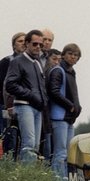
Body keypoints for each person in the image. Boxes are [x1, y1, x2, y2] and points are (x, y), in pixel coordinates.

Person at [5, 29, 47, 163]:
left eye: (40, 44)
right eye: (35, 44)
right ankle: (26, 179)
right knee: (28, 144)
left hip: (37, 108)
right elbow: (10, 84)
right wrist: (30, 95)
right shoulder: (17, 61)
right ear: (27, 44)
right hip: (24, 106)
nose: (38, 47)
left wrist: (43, 101)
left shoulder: (38, 63)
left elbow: (41, 86)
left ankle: (30, 178)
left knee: (35, 146)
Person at [48, 43, 82, 181]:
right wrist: (70, 106)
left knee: (68, 154)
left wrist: (77, 108)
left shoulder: (71, 71)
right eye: (70, 54)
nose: (73, 57)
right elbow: (54, 91)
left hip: (69, 119)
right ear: (64, 54)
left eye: (76, 55)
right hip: (59, 117)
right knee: (60, 153)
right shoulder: (58, 70)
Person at [0, 32, 26, 135]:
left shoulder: (31, 63)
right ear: (14, 45)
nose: (23, 43)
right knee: (8, 133)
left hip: (23, 105)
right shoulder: (6, 61)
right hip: (6, 105)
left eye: (25, 41)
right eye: (20, 41)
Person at [41, 49, 62, 161]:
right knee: (47, 148)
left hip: (54, 115)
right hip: (44, 115)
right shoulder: (44, 72)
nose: (57, 62)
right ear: (47, 59)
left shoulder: (57, 73)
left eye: (59, 60)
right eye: (54, 59)